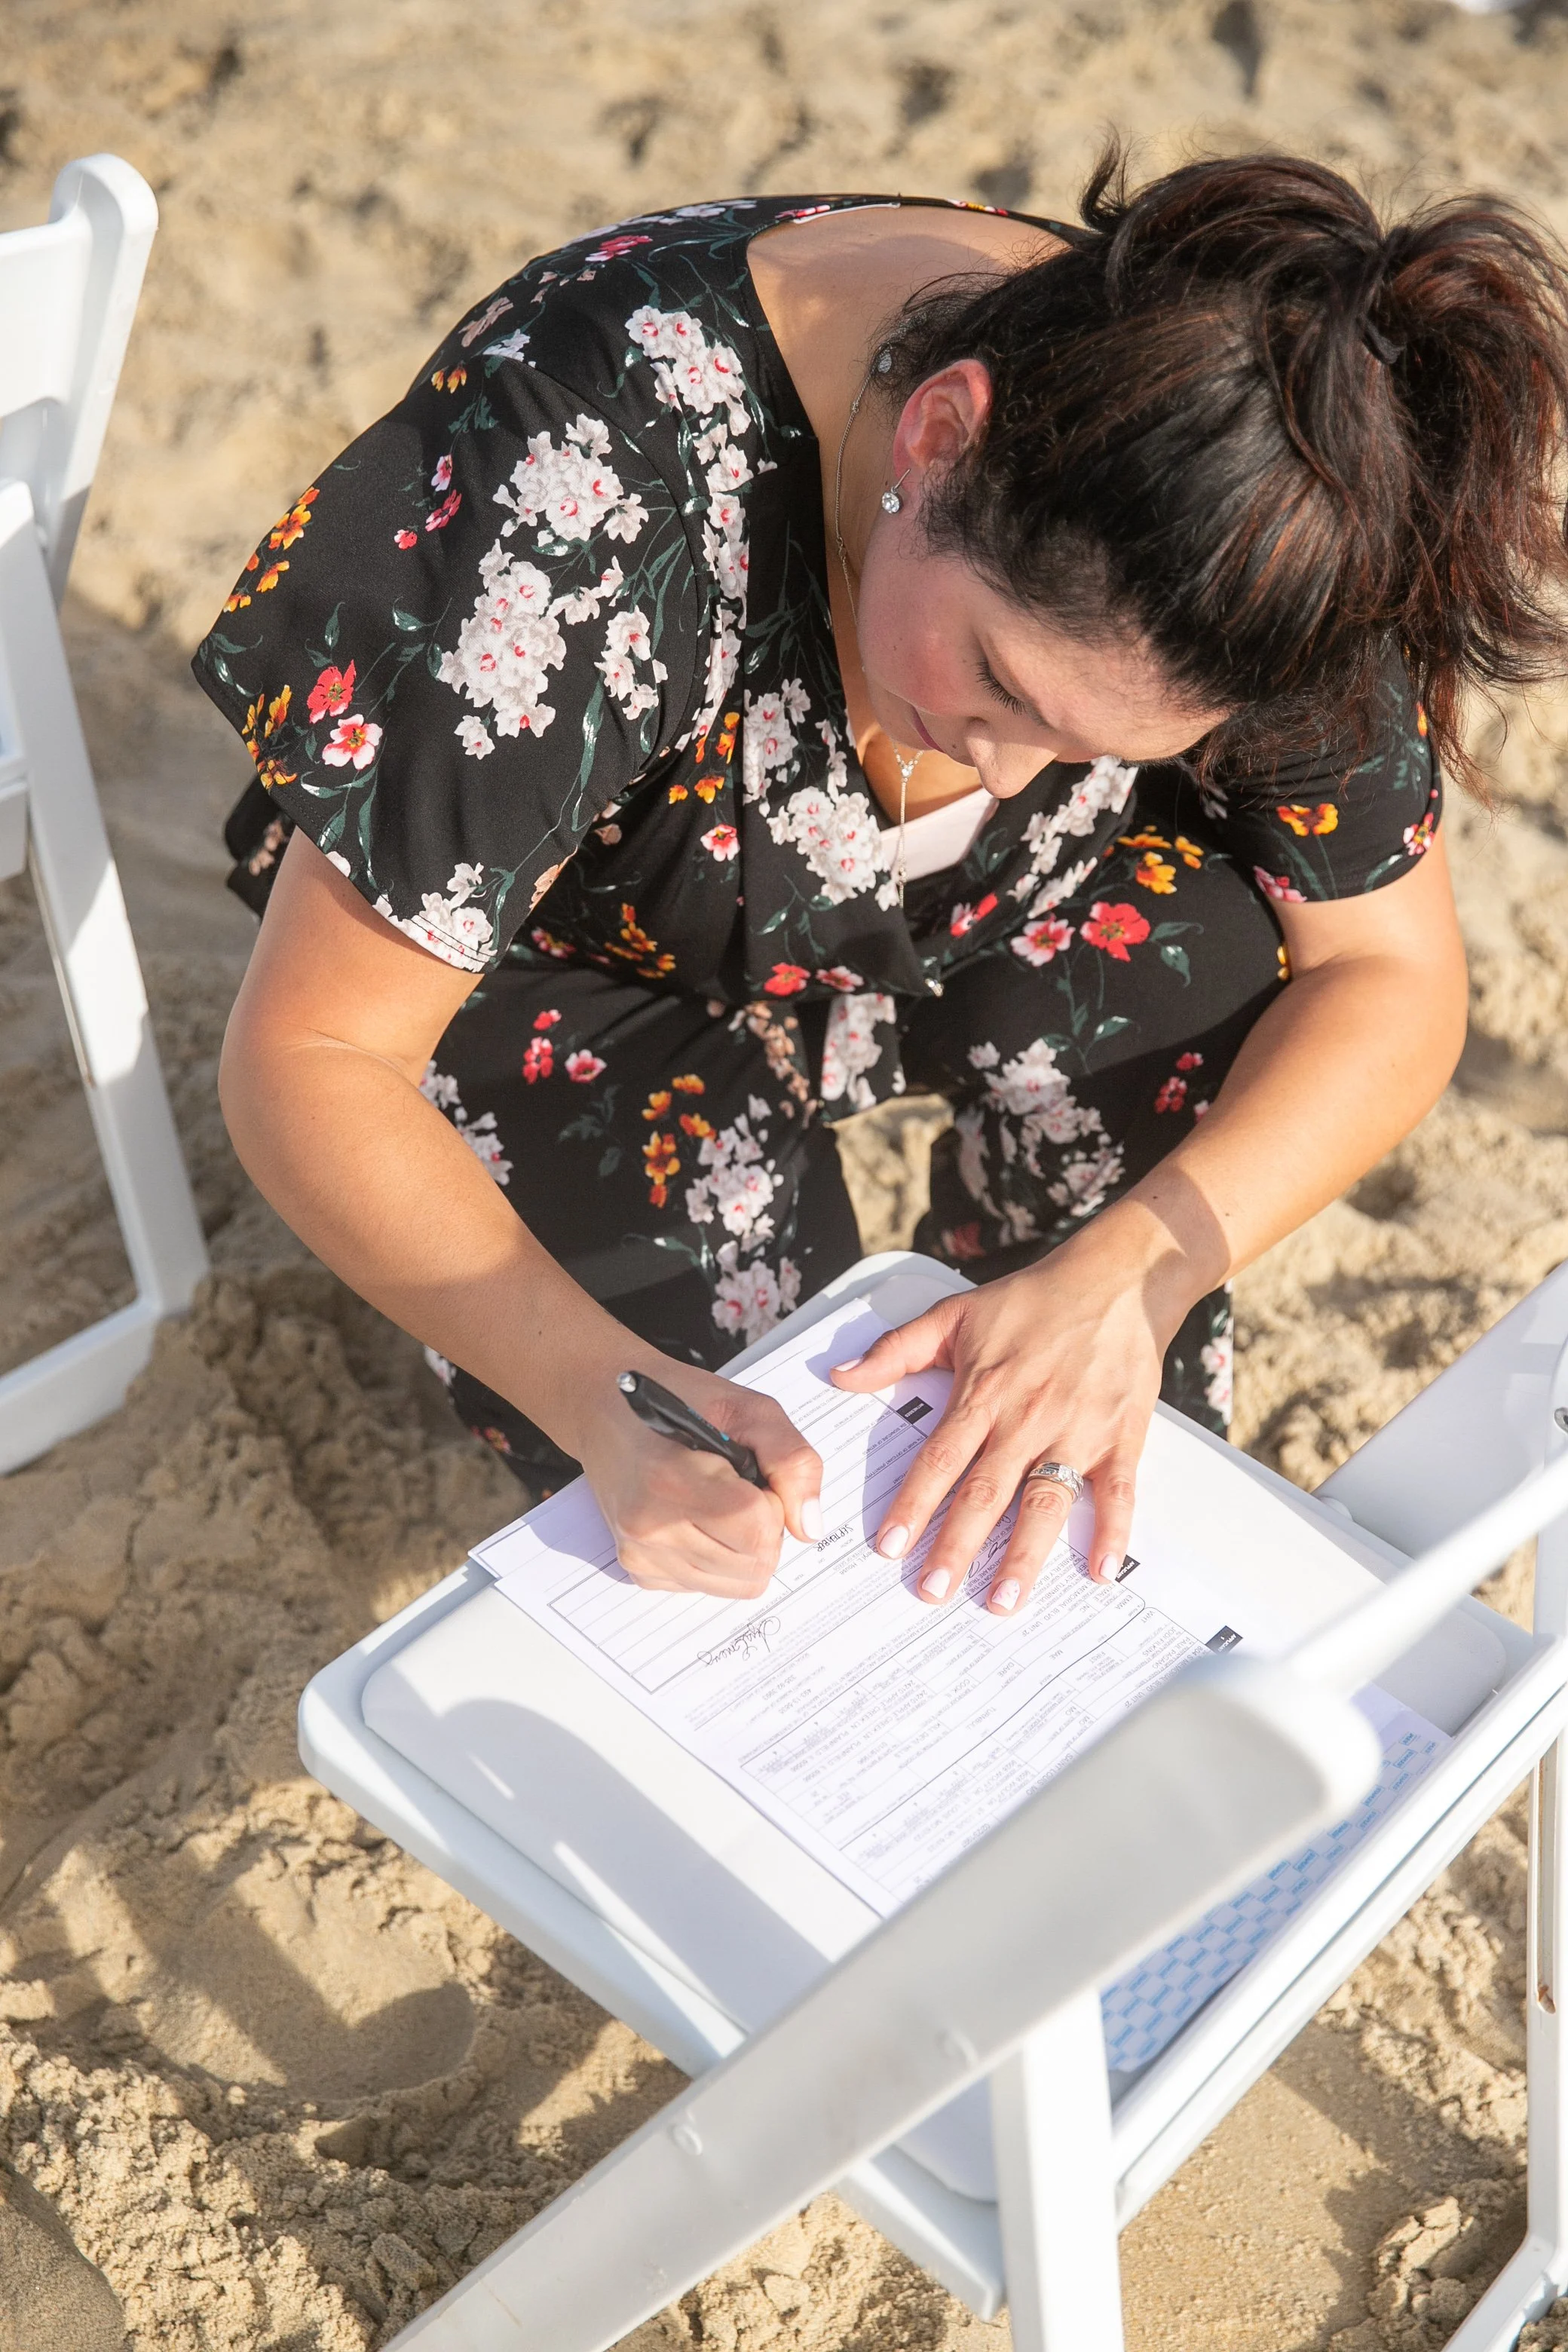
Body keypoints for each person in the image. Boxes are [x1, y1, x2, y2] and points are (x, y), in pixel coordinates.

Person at [199, 148, 1568, 1625]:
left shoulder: (1262, 506)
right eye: (996, 682)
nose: (1004, 776)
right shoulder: (584, 485)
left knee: (1117, 1273)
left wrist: (1138, 1271)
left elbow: (1392, 973)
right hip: (588, 948)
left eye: (1093, 747)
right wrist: (604, 1398)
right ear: (940, 429)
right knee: (761, 1490)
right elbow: (311, 1057)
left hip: (996, 924)